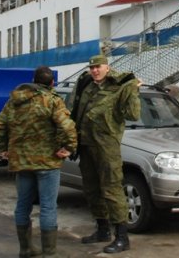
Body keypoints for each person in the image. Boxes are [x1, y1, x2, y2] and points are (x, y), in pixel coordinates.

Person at [0, 66, 77, 258]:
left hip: (21, 163)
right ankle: (49, 253)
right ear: (51, 83)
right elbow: (67, 127)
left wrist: (3, 148)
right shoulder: (53, 101)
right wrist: (69, 147)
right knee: (48, 207)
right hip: (47, 162)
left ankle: (26, 248)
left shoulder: (14, 101)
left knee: (23, 206)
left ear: (33, 80)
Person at [71, 55, 141, 254]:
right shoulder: (87, 85)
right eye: (92, 67)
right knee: (92, 189)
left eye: (98, 67)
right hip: (85, 145)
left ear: (107, 67)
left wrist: (134, 92)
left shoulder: (121, 86)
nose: (94, 70)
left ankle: (122, 237)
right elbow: (75, 111)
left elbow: (133, 115)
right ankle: (102, 230)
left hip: (106, 147)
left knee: (112, 190)